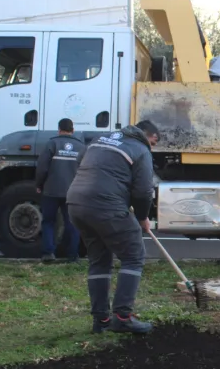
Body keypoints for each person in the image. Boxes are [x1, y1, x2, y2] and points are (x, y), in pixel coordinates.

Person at [67, 121, 161, 335]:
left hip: (76, 203)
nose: (152, 147)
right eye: (153, 142)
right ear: (147, 135)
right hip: (105, 204)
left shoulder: (101, 140)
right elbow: (144, 191)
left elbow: (80, 161)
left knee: (99, 260)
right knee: (134, 255)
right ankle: (122, 317)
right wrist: (142, 217)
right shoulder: (140, 149)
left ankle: (101, 320)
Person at [35, 118, 85, 264]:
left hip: (51, 190)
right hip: (72, 192)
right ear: (73, 130)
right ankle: (72, 255)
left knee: (49, 221)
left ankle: (48, 253)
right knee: (72, 223)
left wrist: (39, 184)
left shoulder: (52, 144)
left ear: (59, 129)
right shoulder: (81, 147)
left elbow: (42, 167)